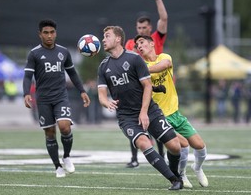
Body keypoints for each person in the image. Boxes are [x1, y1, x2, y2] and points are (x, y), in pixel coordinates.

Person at [97, 25, 183, 190]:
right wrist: (105, 102)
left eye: (107, 36)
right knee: (144, 143)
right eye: (103, 37)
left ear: (118, 39)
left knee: (174, 146)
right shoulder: (103, 66)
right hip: (126, 117)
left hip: (149, 110)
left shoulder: (135, 59)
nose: (103, 40)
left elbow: (148, 86)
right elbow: (101, 94)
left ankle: (176, 173)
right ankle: (174, 180)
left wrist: (144, 112)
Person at [135, 34, 209, 188]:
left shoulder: (163, 56)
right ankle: (181, 174)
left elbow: (165, 64)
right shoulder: (139, 65)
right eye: (137, 45)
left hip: (175, 113)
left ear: (151, 43)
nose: (139, 46)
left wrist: (144, 69)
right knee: (182, 145)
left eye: (141, 42)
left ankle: (197, 167)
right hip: (159, 116)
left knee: (200, 146)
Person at [23, 19, 91, 178]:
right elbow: (27, 76)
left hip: (61, 96)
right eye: (45, 33)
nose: (49, 36)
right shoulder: (34, 54)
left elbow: (72, 73)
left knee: (65, 127)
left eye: (52, 32)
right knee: (50, 133)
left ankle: (66, 156)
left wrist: (82, 91)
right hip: (43, 99)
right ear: (40, 34)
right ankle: (57, 167)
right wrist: (26, 93)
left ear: (56, 33)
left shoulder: (63, 52)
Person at [125, 0, 167, 168]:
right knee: (136, 120)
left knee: (158, 120)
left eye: (144, 28)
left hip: (158, 83)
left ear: (150, 28)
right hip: (139, 86)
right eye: (139, 28)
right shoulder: (130, 44)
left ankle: (163, 155)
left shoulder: (156, 38)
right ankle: (135, 158)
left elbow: (164, 19)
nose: (141, 31)